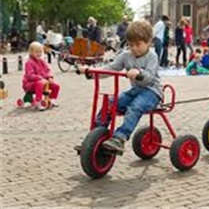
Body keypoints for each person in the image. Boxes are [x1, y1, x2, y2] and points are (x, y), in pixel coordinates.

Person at [79, 21, 161, 154]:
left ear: (148, 42)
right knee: (110, 103)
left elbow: (150, 77)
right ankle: (94, 137)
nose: (134, 48)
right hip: (135, 91)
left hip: (152, 92)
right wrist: (91, 71)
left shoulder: (152, 56)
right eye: (131, 44)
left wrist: (139, 73)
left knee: (135, 106)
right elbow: (109, 68)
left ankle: (120, 137)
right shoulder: (126, 55)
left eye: (138, 44)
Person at [22, 42, 60, 111]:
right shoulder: (29, 63)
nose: (39, 54)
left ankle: (52, 99)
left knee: (56, 86)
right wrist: (40, 78)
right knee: (40, 83)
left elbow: (47, 70)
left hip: (44, 81)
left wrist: (49, 77)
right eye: (36, 52)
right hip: (31, 83)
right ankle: (38, 101)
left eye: (40, 52)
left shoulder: (42, 61)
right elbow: (30, 75)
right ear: (31, 52)